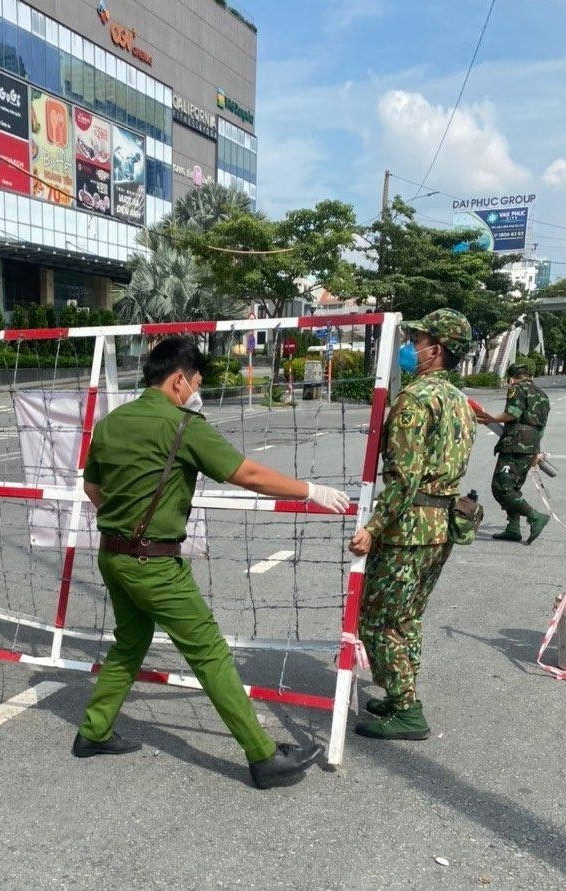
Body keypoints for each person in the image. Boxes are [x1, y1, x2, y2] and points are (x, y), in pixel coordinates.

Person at [72, 336, 350, 790]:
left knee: (129, 643)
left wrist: (125, 518)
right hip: (154, 565)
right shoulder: (183, 426)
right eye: (197, 381)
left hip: (113, 555)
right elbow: (249, 474)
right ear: (178, 380)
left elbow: (92, 489)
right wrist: (310, 491)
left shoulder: (111, 423)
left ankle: (94, 731)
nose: (196, 390)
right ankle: (263, 757)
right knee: (211, 655)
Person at [349, 309, 476, 741]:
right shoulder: (460, 399)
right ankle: (399, 691)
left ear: (435, 350)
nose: (411, 347)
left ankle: (407, 709)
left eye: (417, 340)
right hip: (442, 525)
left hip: (409, 527)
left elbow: (405, 475)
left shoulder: (417, 399)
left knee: (379, 620)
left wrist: (374, 526)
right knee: (407, 618)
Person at [474, 362, 550, 544]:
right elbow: (540, 426)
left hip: (515, 443)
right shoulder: (543, 395)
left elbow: (513, 413)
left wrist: (491, 418)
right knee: (513, 486)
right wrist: (535, 452)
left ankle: (535, 516)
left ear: (511, 378)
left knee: (501, 487)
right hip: (531, 444)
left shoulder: (516, 389)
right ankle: (513, 528)